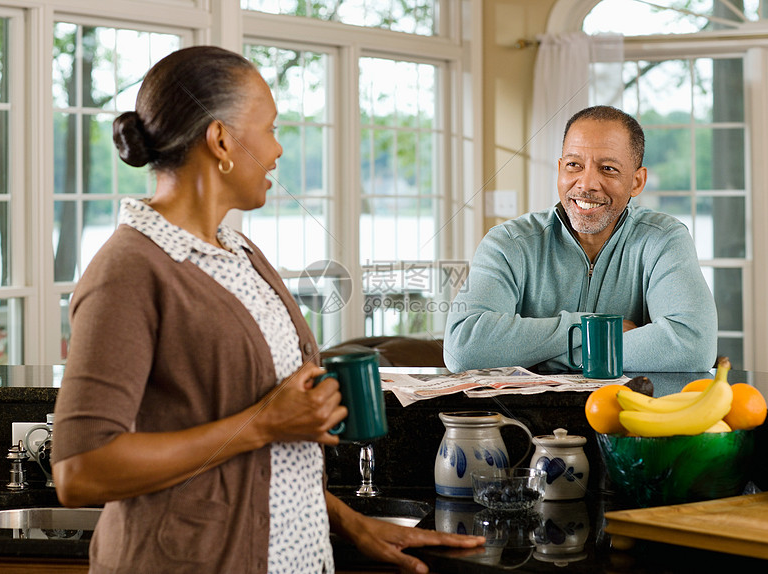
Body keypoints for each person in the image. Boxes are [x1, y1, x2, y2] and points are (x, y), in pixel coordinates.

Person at [52, 46, 484, 574]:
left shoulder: (244, 254)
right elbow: (80, 470)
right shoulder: (130, 269)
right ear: (221, 140)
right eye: (271, 127)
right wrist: (261, 423)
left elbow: (270, 456)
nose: (279, 149)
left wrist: (351, 523)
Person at [444, 105, 717, 374]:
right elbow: (463, 347)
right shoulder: (508, 243)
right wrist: (592, 327)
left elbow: (694, 344)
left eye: (608, 168)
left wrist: (542, 359)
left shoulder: (664, 239)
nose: (586, 184)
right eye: (574, 165)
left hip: (630, 414)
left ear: (637, 182)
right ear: (560, 169)